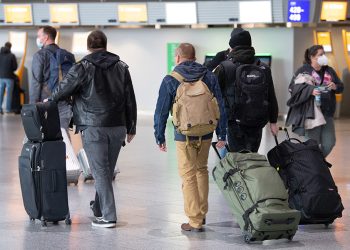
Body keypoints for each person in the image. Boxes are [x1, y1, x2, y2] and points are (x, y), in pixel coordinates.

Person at [50, 30, 137, 228]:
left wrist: (51, 100)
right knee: (104, 171)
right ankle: (98, 208)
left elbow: (61, 91)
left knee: (100, 172)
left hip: (93, 125)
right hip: (118, 126)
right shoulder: (122, 67)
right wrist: (131, 126)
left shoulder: (82, 67)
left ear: (88, 46)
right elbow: (130, 98)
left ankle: (108, 216)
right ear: (106, 45)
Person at [154, 43, 227, 232]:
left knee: (188, 175)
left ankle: (194, 220)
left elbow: (161, 111)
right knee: (201, 169)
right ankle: (201, 214)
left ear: (177, 58)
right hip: (206, 131)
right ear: (194, 57)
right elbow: (220, 105)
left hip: (183, 134)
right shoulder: (209, 76)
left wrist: (159, 135)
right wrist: (222, 134)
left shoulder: (171, 79)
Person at [214, 28, 279, 152]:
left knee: (237, 158)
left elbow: (213, 95)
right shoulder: (263, 67)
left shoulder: (225, 67)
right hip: (257, 121)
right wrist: (273, 121)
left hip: (234, 122)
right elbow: (271, 95)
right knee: (252, 156)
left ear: (231, 46)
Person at [286, 45, 344, 157]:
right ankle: (314, 168)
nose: (323, 57)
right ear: (312, 57)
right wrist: (310, 91)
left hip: (327, 113)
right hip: (311, 113)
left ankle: (317, 164)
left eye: (324, 54)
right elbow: (292, 88)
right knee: (313, 145)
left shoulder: (329, 70)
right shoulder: (303, 70)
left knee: (329, 143)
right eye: (320, 55)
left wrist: (335, 86)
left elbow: (341, 87)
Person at [30, 26, 75, 130]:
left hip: (46, 102)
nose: (38, 39)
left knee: (45, 134)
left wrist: (33, 104)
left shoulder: (40, 55)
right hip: (65, 101)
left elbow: (36, 81)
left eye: (39, 36)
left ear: (45, 38)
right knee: (63, 135)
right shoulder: (68, 55)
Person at [0, 42, 18, 114]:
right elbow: (15, 67)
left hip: (0, 77)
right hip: (9, 77)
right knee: (9, 94)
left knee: (0, 93)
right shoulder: (12, 55)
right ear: (10, 47)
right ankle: (8, 109)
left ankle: (0, 109)